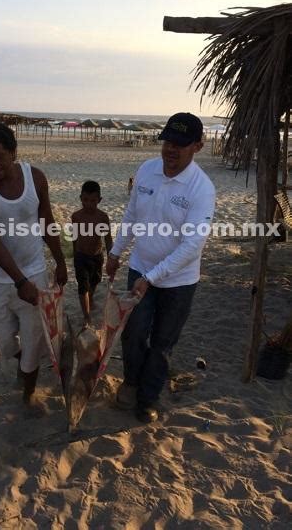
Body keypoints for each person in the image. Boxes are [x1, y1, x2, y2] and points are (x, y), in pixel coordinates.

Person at [106, 113, 215, 423]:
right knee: (133, 332)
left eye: (180, 144)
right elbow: (131, 215)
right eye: (168, 141)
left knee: (163, 342)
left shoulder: (201, 189)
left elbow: (193, 245)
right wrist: (116, 252)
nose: (171, 149)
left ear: (198, 146)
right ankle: (131, 382)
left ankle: (149, 397)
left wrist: (151, 279)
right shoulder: (146, 171)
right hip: (140, 266)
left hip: (179, 281)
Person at [0, 122, 67, 408]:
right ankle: (23, 365)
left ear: (13, 152)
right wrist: (20, 282)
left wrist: (59, 261)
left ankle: (29, 393)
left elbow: (47, 221)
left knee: (33, 342)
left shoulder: (36, 177)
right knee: (5, 343)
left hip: (36, 272)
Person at [71, 181, 112, 325]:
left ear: (99, 200)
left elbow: (107, 239)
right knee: (83, 287)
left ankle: (91, 296)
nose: (89, 204)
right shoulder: (76, 216)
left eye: (93, 201)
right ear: (80, 198)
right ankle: (86, 316)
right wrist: (75, 252)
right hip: (81, 256)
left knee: (94, 282)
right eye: (85, 200)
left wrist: (111, 259)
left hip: (97, 257)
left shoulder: (102, 217)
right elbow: (75, 236)